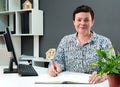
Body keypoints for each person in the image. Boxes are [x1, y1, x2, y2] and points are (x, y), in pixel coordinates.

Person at [48, 5, 115, 84]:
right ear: (74, 22)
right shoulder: (65, 40)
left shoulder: (104, 42)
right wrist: (53, 68)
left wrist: (103, 75)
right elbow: (57, 61)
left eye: (86, 20)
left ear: (92, 22)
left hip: (95, 84)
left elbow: (112, 67)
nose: (82, 23)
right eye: (79, 20)